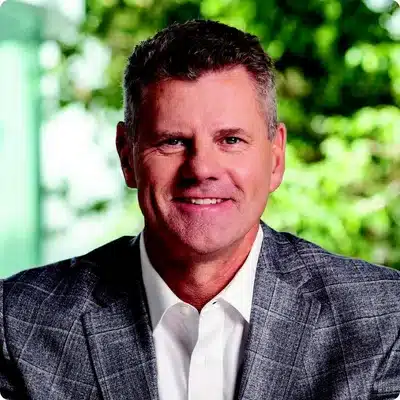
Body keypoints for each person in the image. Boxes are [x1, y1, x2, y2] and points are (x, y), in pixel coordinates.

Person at [1, 19, 400, 400]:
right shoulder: (16, 323)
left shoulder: (385, 318)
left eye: (230, 140)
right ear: (127, 156)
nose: (201, 169)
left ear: (276, 158)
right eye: (172, 141)